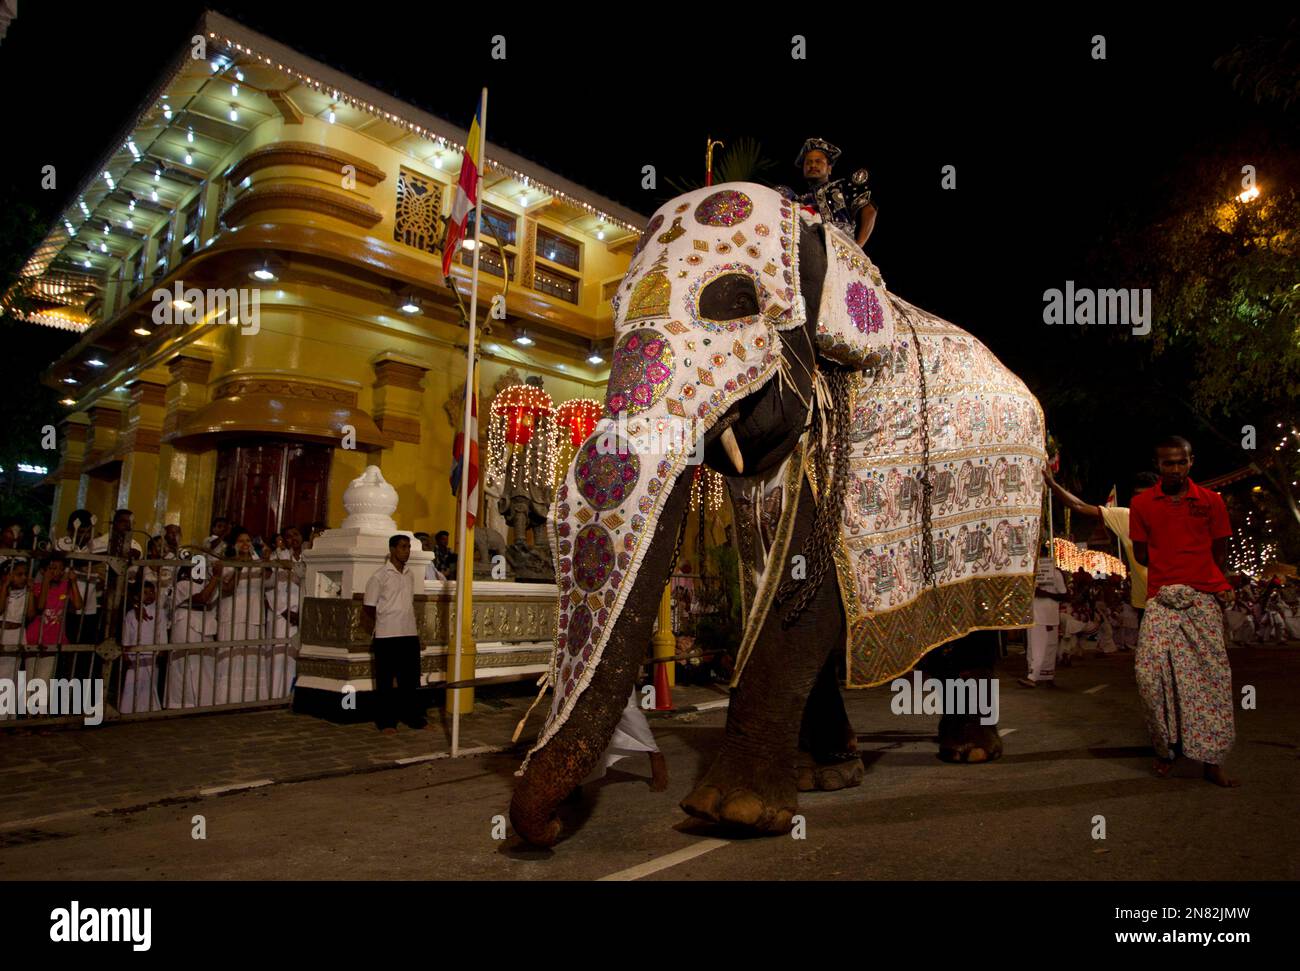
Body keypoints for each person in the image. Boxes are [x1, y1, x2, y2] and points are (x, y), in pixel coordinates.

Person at [1130, 435, 1238, 787]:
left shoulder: (1211, 502)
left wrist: (1198, 578)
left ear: (1191, 462)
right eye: (1167, 463)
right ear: (1158, 466)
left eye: (1181, 462)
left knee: (1211, 679)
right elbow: (1142, 555)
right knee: (1149, 675)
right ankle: (1165, 749)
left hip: (1202, 597)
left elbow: (1219, 553)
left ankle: (1212, 759)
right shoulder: (1142, 504)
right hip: (1161, 599)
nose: (1175, 468)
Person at [1043, 469, 1159, 624]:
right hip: (1146, 603)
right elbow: (1079, 506)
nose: (1142, 503)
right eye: (1137, 497)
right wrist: (1053, 484)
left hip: (1179, 596)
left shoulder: (1174, 517)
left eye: (1147, 497)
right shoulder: (1126, 517)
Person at [362, 535, 428, 733]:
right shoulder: (379, 576)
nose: (406, 551)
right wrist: (387, 619)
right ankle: (386, 722)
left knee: (410, 680)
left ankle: (413, 718)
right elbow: (369, 607)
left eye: (408, 547)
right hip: (386, 636)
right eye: (402, 547)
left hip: (409, 633)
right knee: (385, 681)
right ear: (392, 549)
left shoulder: (410, 574)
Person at [775, 137, 877, 247]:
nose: (813, 165)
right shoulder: (797, 200)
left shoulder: (843, 187)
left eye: (818, 161)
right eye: (808, 162)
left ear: (829, 168)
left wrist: (858, 246)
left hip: (841, 252)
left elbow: (869, 209)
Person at [216, 528, 267, 704]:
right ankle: (228, 699)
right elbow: (228, 589)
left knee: (251, 656)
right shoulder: (227, 563)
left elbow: (267, 577)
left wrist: (263, 560)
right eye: (241, 541)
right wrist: (239, 567)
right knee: (233, 655)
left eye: (248, 540)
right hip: (234, 613)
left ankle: (250, 699)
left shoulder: (257, 561)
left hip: (254, 613)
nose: (246, 544)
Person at [167, 557, 222, 708]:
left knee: (206, 664)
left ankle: (205, 701)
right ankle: (183, 703)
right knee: (187, 663)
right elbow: (202, 598)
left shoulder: (208, 583)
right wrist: (216, 577)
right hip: (186, 624)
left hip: (205, 624)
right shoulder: (182, 584)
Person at [25, 550, 83, 684]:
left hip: (53, 638)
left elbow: (78, 605)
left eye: (61, 569)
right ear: (43, 570)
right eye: (53, 568)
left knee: (44, 679)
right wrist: (46, 581)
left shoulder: (64, 587)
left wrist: (73, 582)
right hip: (35, 637)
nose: (58, 572)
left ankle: (39, 705)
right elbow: (40, 606)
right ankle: (28, 704)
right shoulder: (37, 587)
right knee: (30, 679)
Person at [1020, 548, 1068, 688]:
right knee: (1035, 648)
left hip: (1047, 616)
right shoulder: (1029, 573)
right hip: (1033, 615)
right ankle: (1045, 676)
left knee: (1043, 648)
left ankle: (1033, 678)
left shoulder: (1056, 573)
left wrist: (1045, 593)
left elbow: (1064, 595)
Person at [265, 526, 305, 697]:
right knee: (278, 656)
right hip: (282, 614)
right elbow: (269, 588)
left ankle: (293, 696)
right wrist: (285, 611)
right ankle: (275, 696)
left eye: (296, 535)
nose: (293, 539)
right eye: (288, 537)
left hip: (302, 615)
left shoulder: (309, 557)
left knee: (297, 658)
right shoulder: (278, 557)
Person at [120, 580, 163, 714]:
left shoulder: (159, 612)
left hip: (152, 651)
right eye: (145, 593)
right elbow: (127, 633)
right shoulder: (131, 614)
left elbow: (161, 631)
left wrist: (162, 648)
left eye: (151, 592)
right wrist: (126, 650)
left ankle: (150, 708)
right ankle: (129, 708)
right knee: (133, 680)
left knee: (150, 681)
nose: (149, 595)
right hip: (135, 651)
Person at [1, 559, 31, 717]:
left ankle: (8, 718)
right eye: (19, 574)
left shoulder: (25, 593)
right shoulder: (2, 590)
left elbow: (31, 613)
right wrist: (5, 586)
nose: (24, 578)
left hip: (17, 634)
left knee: (12, 677)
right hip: (2, 634)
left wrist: (31, 591)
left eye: (25, 574)